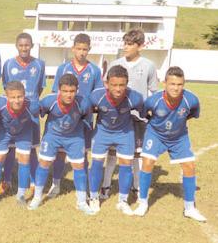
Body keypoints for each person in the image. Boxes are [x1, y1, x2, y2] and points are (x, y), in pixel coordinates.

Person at [133, 66, 206, 222]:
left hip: (179, 137)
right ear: (164, 83)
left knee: (189, 166)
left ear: (183, 84)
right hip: (156, 134)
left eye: (179, 84)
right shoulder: (154, 100)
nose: (176, 88)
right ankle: (143, 203)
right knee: (147, 162)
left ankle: (189, 208)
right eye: (172, 84)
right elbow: (145, 114)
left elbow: (193, 114)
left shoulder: (191, 99)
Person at [101, 28, 159, 199]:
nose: (125, 47)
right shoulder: (115, 64)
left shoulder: (148, 66)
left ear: (140, 46)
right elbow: (106, 87)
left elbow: (154, 91)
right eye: (124, 43)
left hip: (138, 118)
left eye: (130, 44)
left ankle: (137, 186)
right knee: (112, 153)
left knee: (136, 153)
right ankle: (105, 186)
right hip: (117, 117)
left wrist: (151, 112)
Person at [29, 74, 94, 215]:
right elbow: (39, 111)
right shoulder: (49, 101)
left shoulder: (84, 103)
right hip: (53, 136)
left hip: (74, 137)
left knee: (79, 166)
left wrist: (86, 142)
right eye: (65, 91)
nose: (68, 95)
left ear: (77, 90)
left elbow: (87, 120)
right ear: (59, 90)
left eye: (72, 91)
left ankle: (82, 202)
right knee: (44, 163)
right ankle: (37, 197)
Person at [47, 33, 103, 198]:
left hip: (84, 119)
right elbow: (54, 93)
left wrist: (87, 109)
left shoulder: (94, 70)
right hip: (64, 118)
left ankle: (83, 188)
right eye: (78, 48)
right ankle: (55, 184)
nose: (81, 52)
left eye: (85, 49)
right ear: (73, 49)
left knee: (83, 153)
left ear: (89, 50)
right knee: (60, 152)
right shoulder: (62, 68)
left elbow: (97, 94)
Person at [87, 65, 143, 215]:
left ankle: (123, 201)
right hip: (102, 132)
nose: (118, 89)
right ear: (107, 84)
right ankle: (93, 197)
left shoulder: (135, 97)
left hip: (124, 133)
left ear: (127, 83)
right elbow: (87, 110)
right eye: (114, 85)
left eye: (122, 85)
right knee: (97, 162)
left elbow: (145, 112)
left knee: (126, 164)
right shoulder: (96, 96)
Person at [0, 32, 46, 196]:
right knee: (10, 147)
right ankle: (6, 181)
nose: (24, 48)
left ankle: (33, 182)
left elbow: (40, 87)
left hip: (30, 112)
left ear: (32, 46)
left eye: (27, 45)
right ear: (16, 46)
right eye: (21, 45)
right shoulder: (8, 64)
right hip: (12, 112)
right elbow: (6, 86)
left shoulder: (39, 64)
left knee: (31, 148)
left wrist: (30, 102)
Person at [0, 81, 39, 208]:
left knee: (24, 159)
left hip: (23, 132)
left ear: (24, 95)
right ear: (7, 96)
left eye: (20, 96)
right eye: (13, 97)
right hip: (3, 132)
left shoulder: (32, 105)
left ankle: (21, 195)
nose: (17, 100)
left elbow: (46, 109)